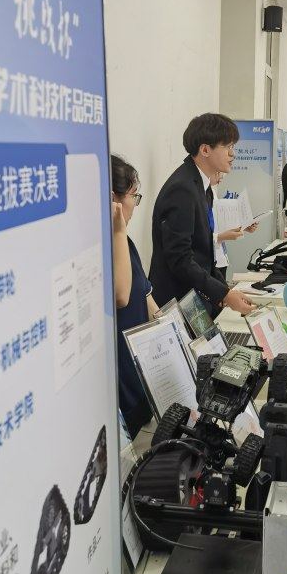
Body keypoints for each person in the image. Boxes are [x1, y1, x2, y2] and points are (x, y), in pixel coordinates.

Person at [149, 113, 254, 317]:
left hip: (194, 298)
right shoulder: (182, 189)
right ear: (205, 150)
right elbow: (180, 259)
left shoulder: (201, 185)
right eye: (227, 147)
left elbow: (203, 253)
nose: (233, 154)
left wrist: (226, 291)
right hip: (178, 301)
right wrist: (224, 295)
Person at [111, 155, 158, 439]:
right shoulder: (107, 244)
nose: (135, 205)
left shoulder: (125, 241)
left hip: (140, 369)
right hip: (120, 379)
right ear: (113, 199)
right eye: (133, 195)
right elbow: (121, 295)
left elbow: (146, 295)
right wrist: (117, 228)